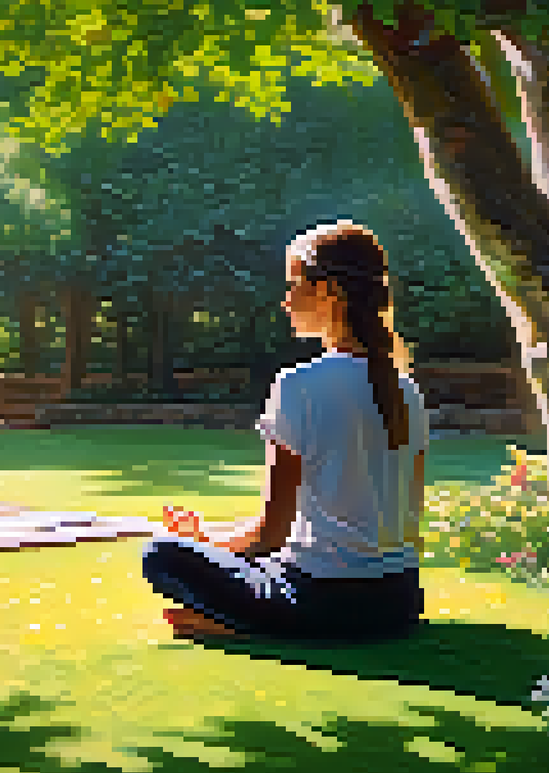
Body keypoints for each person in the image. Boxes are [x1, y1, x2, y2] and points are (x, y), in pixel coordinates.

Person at [142, 220, 429, 642]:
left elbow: (270, 534)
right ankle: (251, 620)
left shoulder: (298, 385)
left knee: (162, 552)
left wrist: (202, 543)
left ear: (328, 291)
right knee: (251, 563)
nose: (286, 301)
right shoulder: (407, 390)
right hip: (399, 601)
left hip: (320, 599)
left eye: (294, 285)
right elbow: (407, 522)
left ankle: (248, 625)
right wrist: (212, 540)